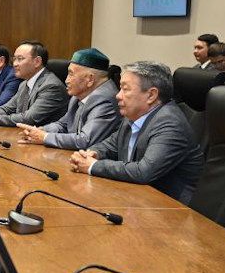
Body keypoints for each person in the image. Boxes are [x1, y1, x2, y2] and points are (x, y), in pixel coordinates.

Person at [70, 61, 204, 204]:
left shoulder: (170, 123)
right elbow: (110, 145)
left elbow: (144, 171)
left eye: (125, 89)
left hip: (169, 208)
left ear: (151, 95)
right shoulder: (134, 115)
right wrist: (92, 154)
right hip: (136, 198)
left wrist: (92, 166)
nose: (118, 95)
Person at [17, 47, 120, 150]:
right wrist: (40, 131)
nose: (66, 80)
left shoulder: (105, 100)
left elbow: (84, 140)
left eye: (71, 74)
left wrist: (45, 137)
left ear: (90, 79)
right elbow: (63, 124)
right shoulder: (79, 94)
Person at [0, 40, 67, 127]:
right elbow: (6, 109)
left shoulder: (51, 86)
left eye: (20, 59)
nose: (15, 64)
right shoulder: (24, 84)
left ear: (37, 62)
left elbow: (28, 118)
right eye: (14, 59)